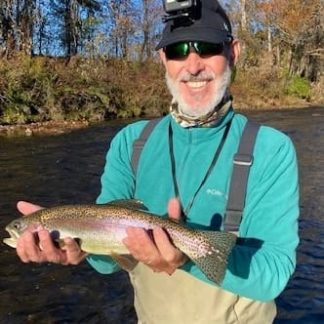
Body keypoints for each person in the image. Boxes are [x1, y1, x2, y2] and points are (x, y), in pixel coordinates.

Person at [15, 0, 299, 323]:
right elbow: (108, 261)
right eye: (178, 50)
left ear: (233, 52)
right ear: (164, 59)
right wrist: (77, 248)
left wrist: (187, 256)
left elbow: (274, 272)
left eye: (207, 47)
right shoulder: (130, 143)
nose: (193, 65)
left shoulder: (271, 150)